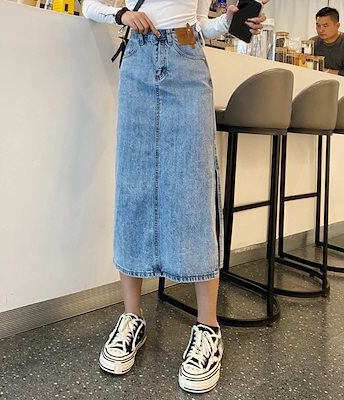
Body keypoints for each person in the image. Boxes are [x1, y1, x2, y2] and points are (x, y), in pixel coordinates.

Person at [82, 0, 266, 394]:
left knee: (194, 190)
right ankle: (132, 318)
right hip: (138, 61)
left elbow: (198, 24)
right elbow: (87, 5)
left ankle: (208, 327)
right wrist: (120, 15)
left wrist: (226, 22)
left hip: (187, 58)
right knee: (133, 188)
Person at [312, 7, 344, 75]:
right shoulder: (313, 42)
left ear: (337, 26)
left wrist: (327, 71)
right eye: (318, 26)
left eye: (325, 26)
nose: (320, 30)